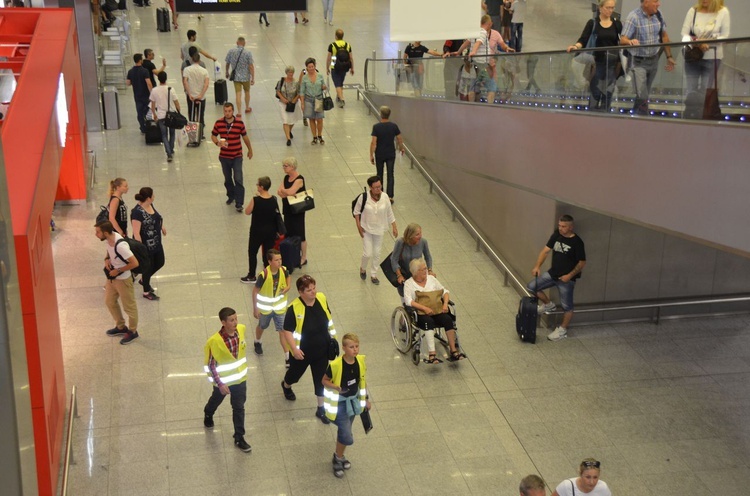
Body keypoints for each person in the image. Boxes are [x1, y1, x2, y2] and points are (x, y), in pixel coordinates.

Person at [280, 275, 338, 425]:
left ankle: (321, 409)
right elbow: (287, 331)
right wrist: (294, 349)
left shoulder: (321, 298)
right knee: (294, 375)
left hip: (322, 350)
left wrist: (333, 338)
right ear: (300, 292)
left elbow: (329, 319)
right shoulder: (294, 308)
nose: (313, 292)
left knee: (321, 380)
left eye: (314, 288)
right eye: (309, 290)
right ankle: (286, 384)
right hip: (302, 353)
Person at [527, 215, 586, 342]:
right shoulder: (556, 235)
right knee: (532, 287)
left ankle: (562, 330)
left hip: (566, 280)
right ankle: (548, 304)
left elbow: (582, 263)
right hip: (552, 274)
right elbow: (545, 251)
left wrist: (569, 276)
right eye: (559, 225)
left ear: (571, 227)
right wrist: (537, 266)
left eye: (563, 226)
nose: (560, 228)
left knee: (567, 306)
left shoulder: (577, 242)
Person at [202, 307, 252, 453]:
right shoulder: (214, 341)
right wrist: (220, 383)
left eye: (236, 318)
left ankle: (239, 437)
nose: (235, 322)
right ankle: (208, 412)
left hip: (240, 379)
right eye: (231, 320)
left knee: (239, 407)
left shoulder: (241, 330)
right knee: (216, 400)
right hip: (223, 382)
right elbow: (211, 365)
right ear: (223, 322)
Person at [322, 333, 371, 478]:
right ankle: (338, 456)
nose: (355, 350)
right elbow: (324, 380)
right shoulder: (336, 365)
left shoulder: (360, 362)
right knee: (347, 435)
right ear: (344, 348)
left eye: (356, 346)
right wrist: (335, 387)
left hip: (353, 402)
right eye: (351, 347)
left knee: (343, 432)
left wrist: (366, 399)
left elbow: (362, 381)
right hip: (340, 404)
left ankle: (339, 457)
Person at [403, 258, 465, 363]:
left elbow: (444, 291)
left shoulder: (431, 279)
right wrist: (425, 308)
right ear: (416, 272)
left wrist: (445, 304)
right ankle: (432, 354)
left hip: (437, 310)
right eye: (423, 269)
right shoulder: (409, 283)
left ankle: (453, 350)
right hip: (421, 313)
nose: (426, 271)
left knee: (447, 320)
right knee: (429, 322)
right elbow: (408, 301)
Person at [620, 0, 676, 115]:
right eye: (655, 1)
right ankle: (642, 118)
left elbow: (664, 36)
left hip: (653, 59)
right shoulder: (634, 16)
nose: (658, 4)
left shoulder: (659, 14)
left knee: (645, 94)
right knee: (642, 94)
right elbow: (623, 39)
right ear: (646, 2)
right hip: (638, 61)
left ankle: (636, 117)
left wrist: (669, 56)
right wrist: (630, 41)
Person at [567, 0, 623, 111]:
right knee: (595, 91)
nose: (610, 10)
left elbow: (621, 40)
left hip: (612, 64)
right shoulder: (593, 23)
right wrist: (576, 46)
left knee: (608, 92)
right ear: (600, 8)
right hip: (596, 63)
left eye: (612, 7)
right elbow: (583, 39)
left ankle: (605, 115)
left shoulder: (617, 23)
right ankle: (592, 115)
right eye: (608, 7)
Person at [447, 15, 514, 105]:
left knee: (472, 88)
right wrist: (473, 51)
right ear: (489, 24)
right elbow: (479, 42)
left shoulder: (475, 32)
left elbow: (467, 42)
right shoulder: (483, 32)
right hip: (483, 66)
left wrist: (458, 52)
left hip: (474, 65)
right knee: (491, 87)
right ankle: (489, 108)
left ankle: (472, 108)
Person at [95, 220, 140, 345]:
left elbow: (135, 263)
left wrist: (118, 270)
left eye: (98, 232)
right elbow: (109, 252)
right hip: (112, 279)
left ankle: (133, 331)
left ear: (105, 232)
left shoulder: (121, 245)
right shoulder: (109, 239)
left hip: (124, 280)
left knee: (129, 307)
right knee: (109, 301)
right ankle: (121, 327)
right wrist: (106, 259)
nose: (96, 234)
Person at [353, 176, 397, 285]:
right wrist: (359, 226)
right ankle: (363, 268)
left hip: (379, 229)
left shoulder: (385, 197)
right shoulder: (363, 197)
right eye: (376, 187)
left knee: (377, 253)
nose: (378, 189)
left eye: (380, 186)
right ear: (370, 187)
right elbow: (356, 212)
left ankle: (374, 274)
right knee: (367, 253)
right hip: (366, 229)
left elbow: (389, 213)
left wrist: (394, 226)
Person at [680, 0, 730, 96]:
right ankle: (691, 111)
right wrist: (698, 42)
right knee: (691, 90)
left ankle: (703, 111)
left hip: (712, 58)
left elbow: (724, 37)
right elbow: (684, 34)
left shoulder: (723, 12)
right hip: (692, 57)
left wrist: (707, 42)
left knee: (705, 92)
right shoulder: (693, 11)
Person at [211, 103, 253, 212]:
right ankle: (231, 195)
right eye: (225, 111)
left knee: (238, 178)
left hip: (237, 156)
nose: (227, 113)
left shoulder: (239, 123)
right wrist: (217, 143)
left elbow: (245, 137)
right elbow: (213, 135)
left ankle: (239, 203)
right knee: (228, 179)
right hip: (224, 157)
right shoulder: (219, 123)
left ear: (233, 111)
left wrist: (250, 149)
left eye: (229, 111)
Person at [251, 249, 291, 360]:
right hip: (266, 309)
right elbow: (255, 291)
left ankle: (287, 356)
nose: (280, 262)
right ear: (269, 262)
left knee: (282, 331)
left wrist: (288, 287)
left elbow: (288, 277)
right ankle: (257, 341)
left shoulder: (283, 270)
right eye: (276, 260)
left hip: (279, 308)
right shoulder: (264, 275)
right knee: (262, 325)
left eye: (280, 259)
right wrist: (255, 309)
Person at [241, 176, 281, 283]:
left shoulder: (256, 200)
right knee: (268, 254)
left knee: (252, 252)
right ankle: (269, 275)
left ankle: (251, 275)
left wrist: (255, 197)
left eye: (258, 184)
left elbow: (247, 211)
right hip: (270, 231)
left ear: (261, 187)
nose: (257, 186)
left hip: (257, 231)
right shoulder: (274, 199)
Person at [131, 187, 166, 301]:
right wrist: (141, 248)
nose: (154, 197)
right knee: (148, 267)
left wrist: (162, 227)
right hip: (146, 246)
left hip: (156, 242)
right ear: (148, 198)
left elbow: (156, 217)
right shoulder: (137, 212)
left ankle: (144, 280)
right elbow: (136, 232)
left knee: (160, 262)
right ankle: (146, 291)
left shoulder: (150, 205)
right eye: (153, 195)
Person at [276, 157, 308, 265]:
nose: (284, 168)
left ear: (293, 167)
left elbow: (290, 191)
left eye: (286, 166)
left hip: (297, 211)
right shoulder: (286, 178)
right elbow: (279, 192)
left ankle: (303, 257)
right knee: (288, 232)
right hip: (288, 210)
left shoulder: (299, 179)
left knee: (300, 234)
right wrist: (287, 192)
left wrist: (286, 192)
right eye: (283, 166)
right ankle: (291, 254)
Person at [370, 106, 405, 201]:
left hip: (380, 154)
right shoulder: (394, 126)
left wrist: (371, 155)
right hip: (390, 154)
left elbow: (374, 142)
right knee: (390, 174)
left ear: (381, 114)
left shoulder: (376, 127)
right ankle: (390, 196)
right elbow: (399, 139)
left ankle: (379, 194)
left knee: (379, 174)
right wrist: (401, 148)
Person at [392, 223, 433, 293]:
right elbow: (394, 260)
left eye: (420, 233)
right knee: (405, 297)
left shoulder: (423, 242)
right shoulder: (400, 242)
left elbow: (428, 257)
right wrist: (399, 275)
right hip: (404, 276)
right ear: (410, 236)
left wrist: (430, 270)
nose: (420, 236)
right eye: (417, 234)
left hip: (418, 276)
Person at [149, 71, 181, 162]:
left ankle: (169, 153)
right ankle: (171, 149)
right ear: (166, 78)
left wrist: (154, 115)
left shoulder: (154, 90)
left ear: (158, 79)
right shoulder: (171, 89)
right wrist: (179, 112)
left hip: (161, 116)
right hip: (171, 116)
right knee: (172, 133)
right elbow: (176, 103)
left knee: (164, 135)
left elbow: (152, 105)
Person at [225, 37, 255, 115]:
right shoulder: (248, 53)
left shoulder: (231, 51)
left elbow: (227, 63)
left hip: (236, 77)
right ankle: (247, 107)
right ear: (244, 43)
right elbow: (251, 66)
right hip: (246, 77)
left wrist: (227, 72)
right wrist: (253, 78)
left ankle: (239, 112)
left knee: (238, 93)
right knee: (247, 92)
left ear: (237, 43)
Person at [182, 52, 209, 140]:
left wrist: (189, 94)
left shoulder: (187, 70)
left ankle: (192, 135)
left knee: (191, 115)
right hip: (201, 97)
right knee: (201, 115)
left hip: (191, 96)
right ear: (199, 60)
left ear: (192, 60)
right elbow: (206, 84)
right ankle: (201, 134)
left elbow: (185, 82)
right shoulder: (204, 71)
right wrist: (201, 95)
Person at [300, 58, 327, 144]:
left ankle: (320, 135)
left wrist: (324, 87)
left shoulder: (320, 76)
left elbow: (324, 86)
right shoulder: (304, 78)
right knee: (311, 118)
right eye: (309, 67)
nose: (311, 68)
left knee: (319, 118)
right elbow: (302, 91)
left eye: (312, 66)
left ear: (315, 66)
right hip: (308, 99)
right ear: (306, 68)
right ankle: (314, 137)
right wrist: (302, 102)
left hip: (318, 99)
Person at [125, 53, 152, 134]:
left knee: (139, 112)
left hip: (137, 95)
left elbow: (128, 83)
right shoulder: (145, 71)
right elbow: (149, 83)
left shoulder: (130, 71)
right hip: (145, 95)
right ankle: (147, 124)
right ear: (140, 60)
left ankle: (142, 127)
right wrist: (152, 93)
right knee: (146, 110)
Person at [275, 65, 303, 146]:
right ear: (286, 73)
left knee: (292, 119)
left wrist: (294, 101)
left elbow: (299, 92)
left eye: (292, 72)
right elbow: (278, 91)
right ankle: (288, 138)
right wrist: (283, 99)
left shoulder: (296, 82)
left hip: (293, 103)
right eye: (289, 72)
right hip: (283, 103)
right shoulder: (281, 81)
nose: (290, 74)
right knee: (285, 120)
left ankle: (289, 131)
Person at [326, 30, 353, 108]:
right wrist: (352, 68)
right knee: (340, 82)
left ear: (336, 36)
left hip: (334, 65)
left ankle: (342, 99)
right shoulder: (347, 45)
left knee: (337, 83)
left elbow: (328, 58)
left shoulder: (332, 45)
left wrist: (327, 68)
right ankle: (339, 96)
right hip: (345, 66)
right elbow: (351, 58)